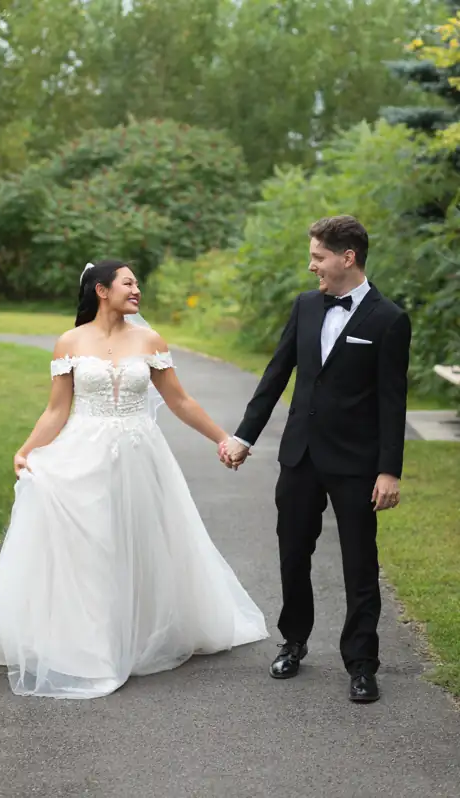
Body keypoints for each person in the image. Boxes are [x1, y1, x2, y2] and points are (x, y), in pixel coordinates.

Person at [0, 260, 268, 699]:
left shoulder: (149, 340)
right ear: (102, 290)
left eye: (138, 283)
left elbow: (180, 401)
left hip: (140, 455)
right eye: (129, 283)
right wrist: (27, 450)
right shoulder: (70, 342)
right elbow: (57, 410)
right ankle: (93, 643)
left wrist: (223, 438)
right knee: (91, 544)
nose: (137, 290)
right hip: (83, 451)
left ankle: (139, 630)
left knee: (137, 540)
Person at [222, 216, 411, 703]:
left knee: (359, 563)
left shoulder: (389, 319)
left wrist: (389, 469)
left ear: (347, 257)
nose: (312, 267)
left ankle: (362, 663)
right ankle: (294, 640)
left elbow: (393, 400)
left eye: (318, 257)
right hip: (300, 456)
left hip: (356, 463)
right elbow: (276, 374)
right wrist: (245, 436)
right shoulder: (306, 307)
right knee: (292, 553)